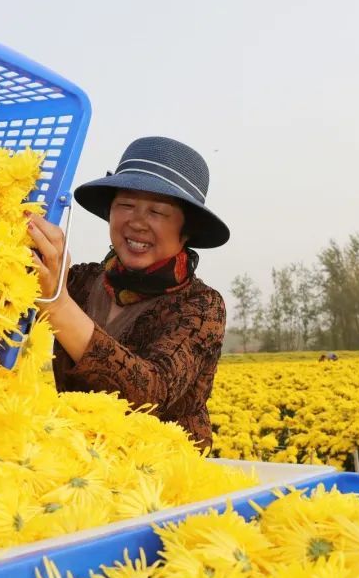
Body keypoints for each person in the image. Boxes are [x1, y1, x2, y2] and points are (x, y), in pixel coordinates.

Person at [27, 136, 230, 447]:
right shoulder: (79, 281)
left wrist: (57, 305)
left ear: (187, 230)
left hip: (164, 479)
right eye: (125, 205)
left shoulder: (202, 306)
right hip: (76, 462)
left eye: (157, 212)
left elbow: (151, 393)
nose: (136, 222)